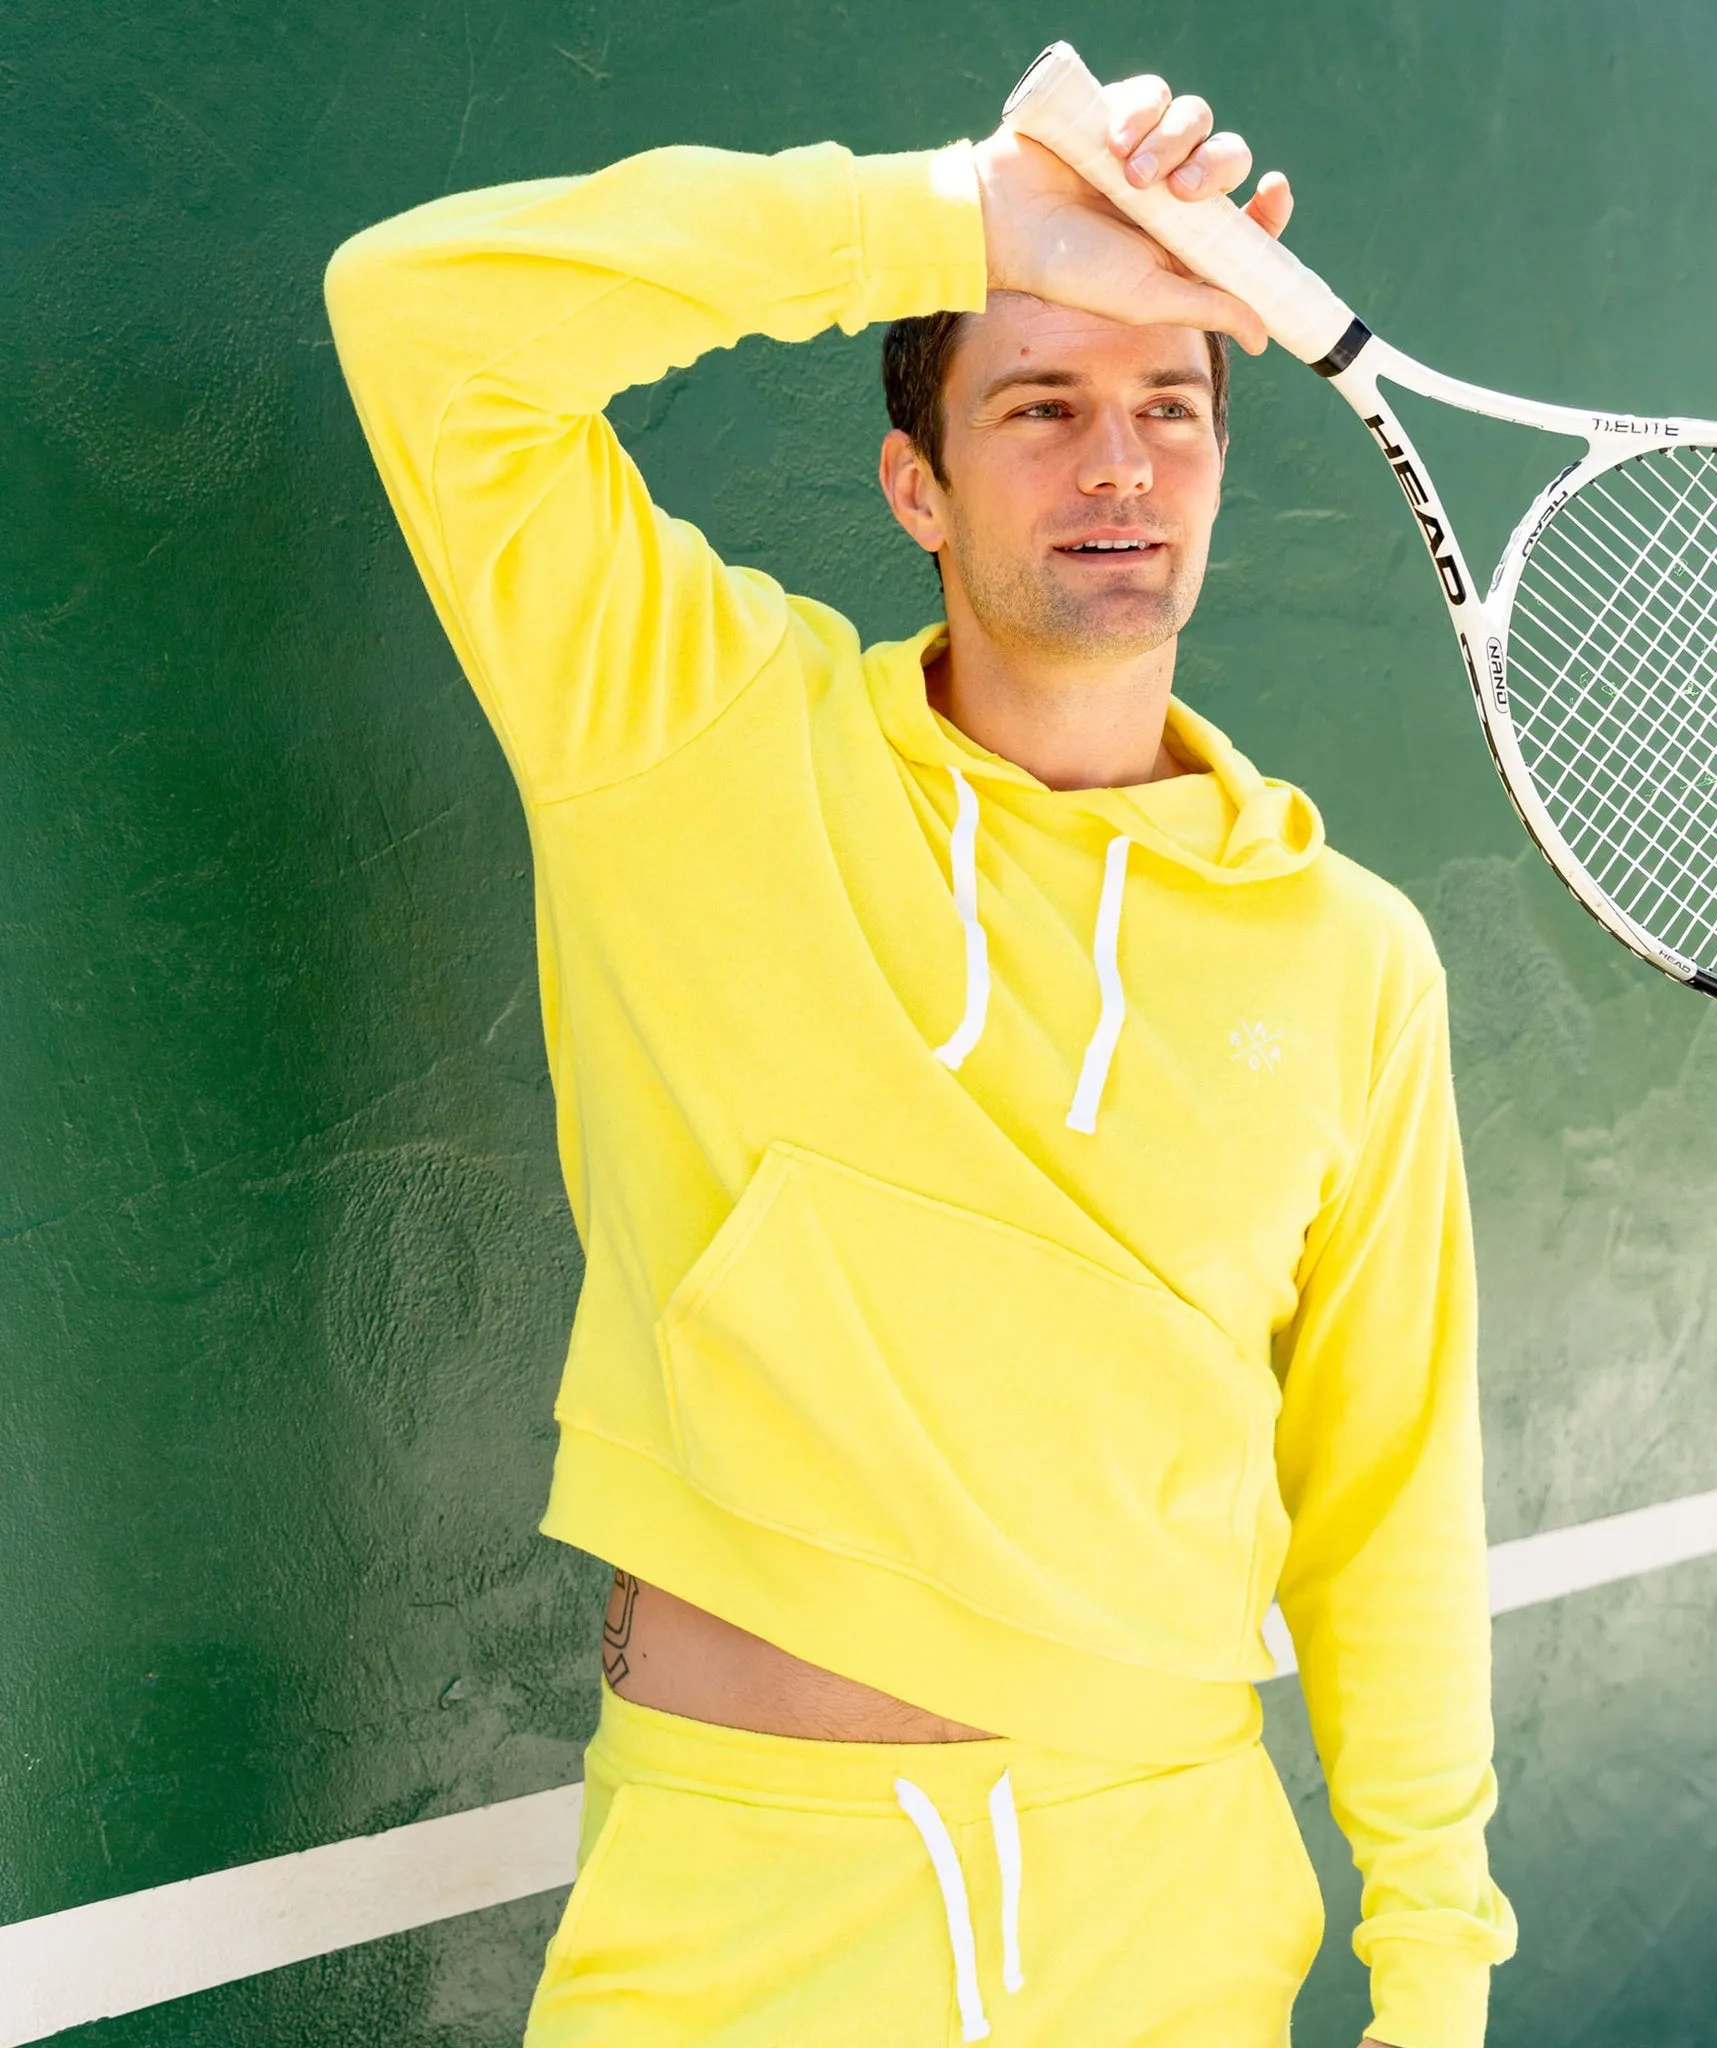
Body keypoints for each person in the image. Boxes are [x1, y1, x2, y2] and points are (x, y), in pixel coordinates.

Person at [325, 65, 1515, 2048]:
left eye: (1167, 411)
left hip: (1171, 1933)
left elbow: (1384, 1500)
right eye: (1040, 406)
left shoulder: (1349, 960)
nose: (1115, 465)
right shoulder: (688, 730)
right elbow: (418, 317)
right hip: (736, 1929)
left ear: (1221, 472)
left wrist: (1436, 1978)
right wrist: (961, 219)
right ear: (917, 486)